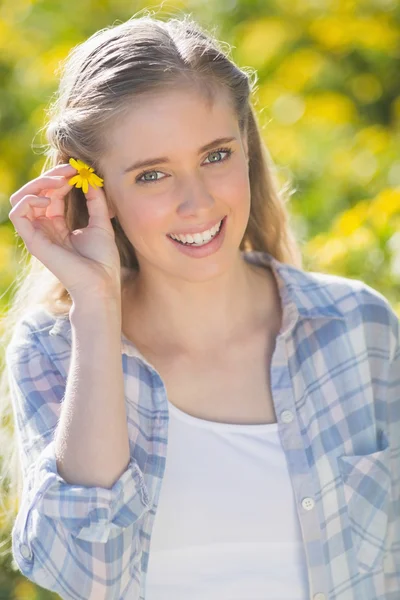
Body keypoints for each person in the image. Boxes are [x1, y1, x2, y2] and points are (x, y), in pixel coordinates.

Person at [0, 10, 399, 600]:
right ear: (94, 190)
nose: (197, 202)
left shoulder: (358, 329)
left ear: (246, 148)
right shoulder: (54, 351)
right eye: (152, 174)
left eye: (215, 156)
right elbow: (89, 576)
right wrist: (95, 302)